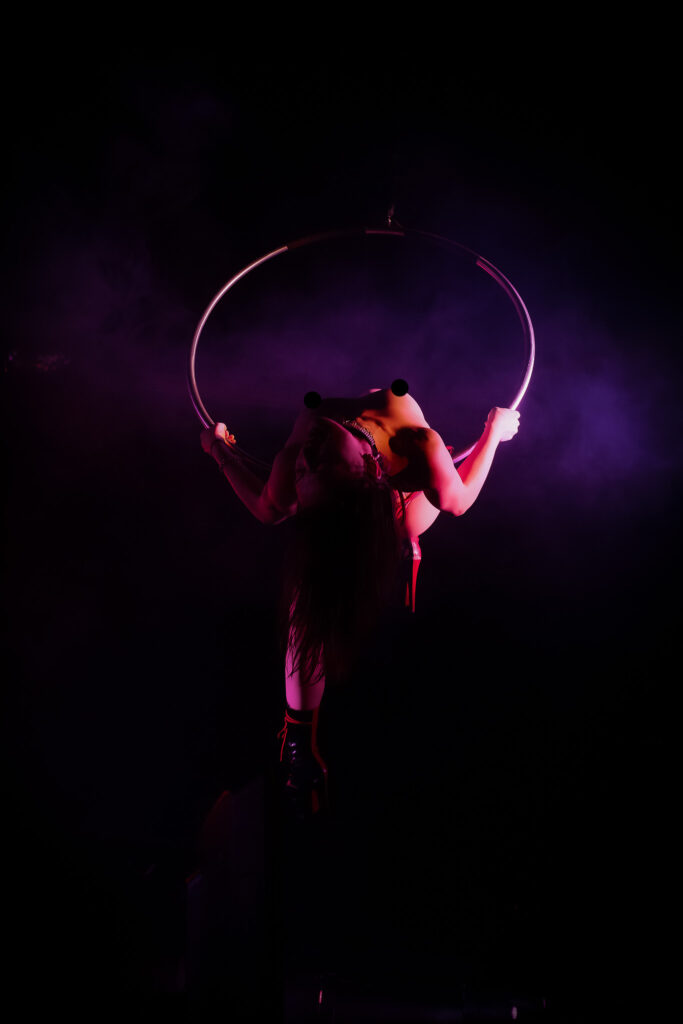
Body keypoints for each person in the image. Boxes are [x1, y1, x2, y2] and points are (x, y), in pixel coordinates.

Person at [200, 388, 520, 818]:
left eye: (304, 470)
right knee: (316, 597)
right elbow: (457, 501)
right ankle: (299, 746)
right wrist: (493, 433)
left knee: (314, 577)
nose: (307, 458)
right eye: (319, 466)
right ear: (368, 466)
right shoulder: (416, 447)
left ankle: (298, 742)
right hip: (398, 504)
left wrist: (218, 448)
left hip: (370, 504)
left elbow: (268, 508)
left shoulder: (301, 455)